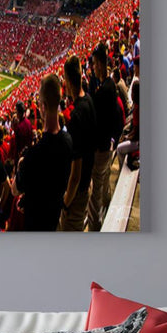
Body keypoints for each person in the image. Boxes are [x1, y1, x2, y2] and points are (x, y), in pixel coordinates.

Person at [11, 74, 73, 231]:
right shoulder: (68, 141)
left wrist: (20, 166)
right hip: (54, 220)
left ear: (42, 106)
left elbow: (15, 189)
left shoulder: (33, 156)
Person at [60, 55, 97, 231]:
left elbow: (75, 172)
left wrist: (66, 202)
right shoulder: (89, 100)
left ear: (67, 80)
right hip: (88, 181)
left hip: (78, 192)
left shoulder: (75, 116)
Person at [88, 42, 122, 232]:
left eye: (94, 64)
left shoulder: (105, 90)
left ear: (100, 64)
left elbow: (98, 121)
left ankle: (96, 231)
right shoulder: (108, 85)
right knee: (105, 184)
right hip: (107, 146)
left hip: (101, 149)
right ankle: (108, 208)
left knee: (94, 202)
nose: (93, 67)